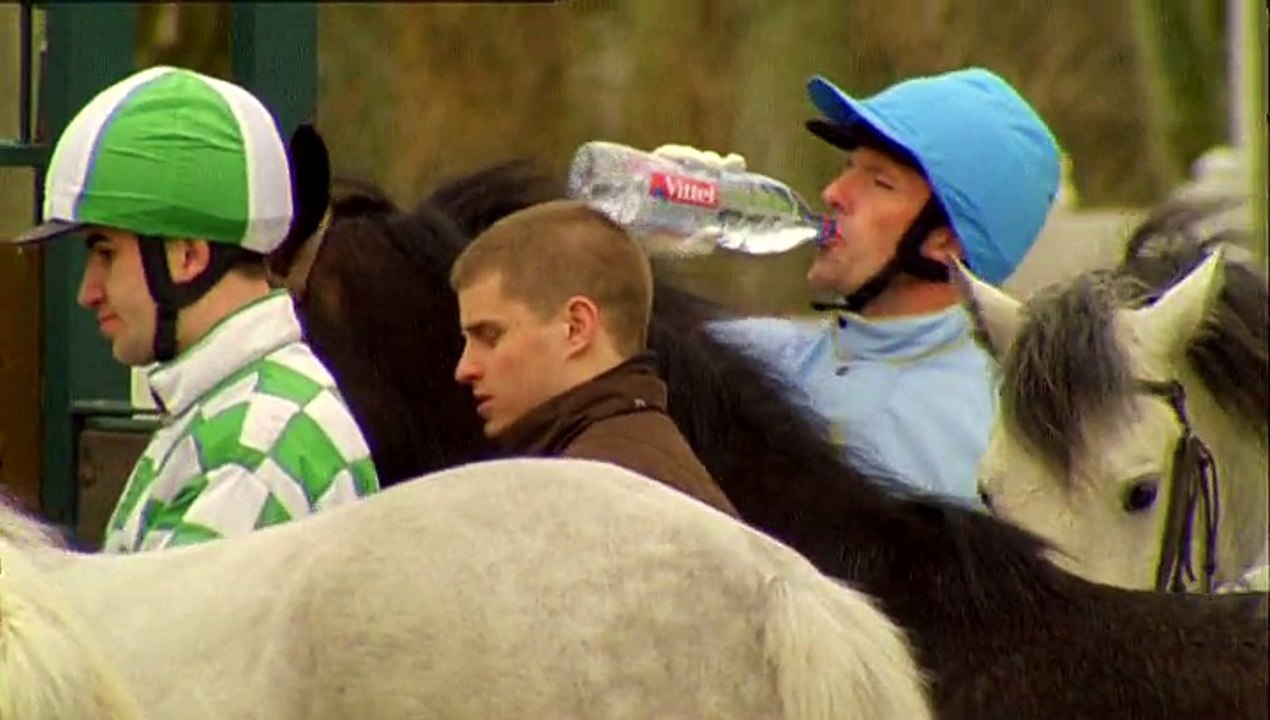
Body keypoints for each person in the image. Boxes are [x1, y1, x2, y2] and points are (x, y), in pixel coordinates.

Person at [5, 66, 379, 552]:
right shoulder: (234, 408)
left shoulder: (250, 447)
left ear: (187, 255)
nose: (87, 291)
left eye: (105, 253)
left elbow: (149, 631)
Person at [705, 67, 1061, 505]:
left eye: (880, 182)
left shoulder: (993, 428)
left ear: (944, 240)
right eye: (847, 167)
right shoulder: (758, 355)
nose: (833, 192)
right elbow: (605, 336)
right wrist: (638, 246)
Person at [449, 199, 738, 517]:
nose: (465, 369)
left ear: (576, 327)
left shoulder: (587, 498)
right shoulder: (646, 467)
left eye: (490, 335)